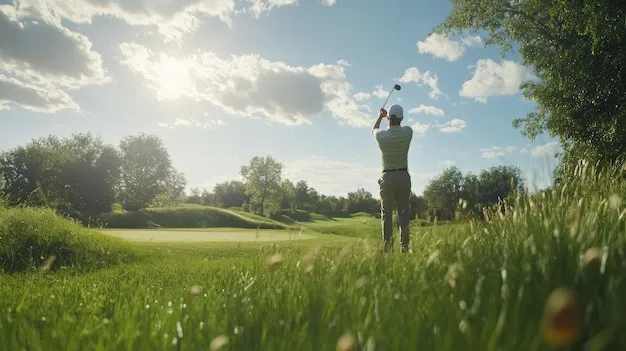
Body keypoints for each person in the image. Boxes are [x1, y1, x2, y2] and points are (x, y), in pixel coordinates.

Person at [371, 104, 413, 253]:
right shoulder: (408, 132)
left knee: (386, 215)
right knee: (403, 213)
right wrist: (386, 116)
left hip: (387, 176)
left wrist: (380, 116)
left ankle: (388, 249)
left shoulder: (382, 136)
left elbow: (373, 130)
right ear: (401, 118)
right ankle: (404, 248)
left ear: (389, 117)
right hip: (403, 176)